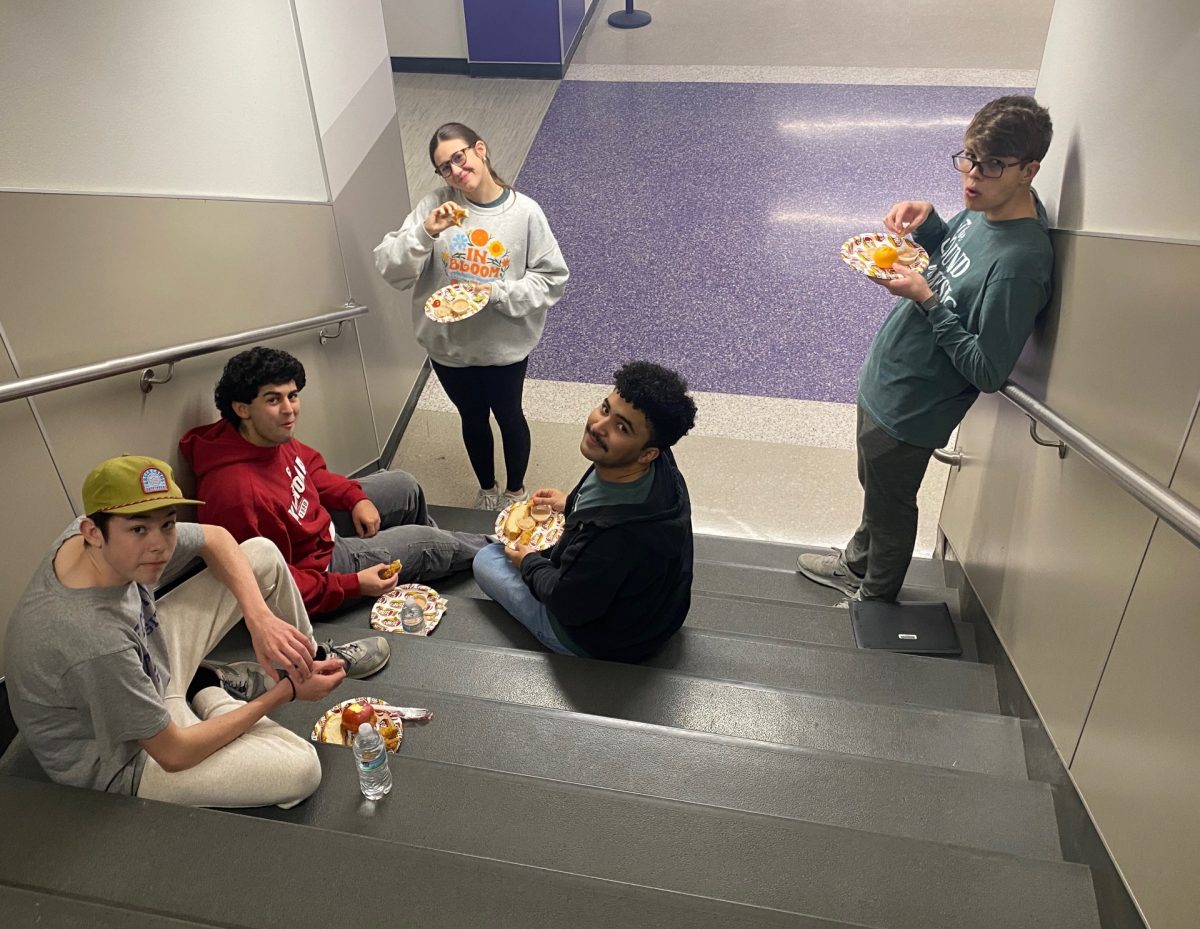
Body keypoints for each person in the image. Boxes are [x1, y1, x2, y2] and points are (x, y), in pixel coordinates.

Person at [3, 455, 390, 808]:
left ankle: (307, 660)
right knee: (302, 769)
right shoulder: (94, 642)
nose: (159, 545)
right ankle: (210, 690)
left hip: (147, 661)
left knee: (262, 554)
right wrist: (284, 694)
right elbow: (174, 754)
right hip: (133, 759)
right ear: (92, 532)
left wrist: (260, 620)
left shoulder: (95, 531)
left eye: (167, 524)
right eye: (138, 529)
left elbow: (217, 538)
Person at [798, 95, 1054, 604]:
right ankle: (856, 561)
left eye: (991, 166)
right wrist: (934, 223)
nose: (972, 178)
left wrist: (928, 301)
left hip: (912, 412)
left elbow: (986, 370)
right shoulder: (986, 211)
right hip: (887, 381)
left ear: (1030, 170)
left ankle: (875, 595)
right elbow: (955, 262)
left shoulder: (1022, 263)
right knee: (875, 490)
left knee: (891, 506)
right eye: (968, 158)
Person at [179, 347, 489, 617]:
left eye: (293, 396)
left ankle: (429, 561)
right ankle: (503, 549)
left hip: (318, 529)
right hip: (319, 570)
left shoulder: (263, 434)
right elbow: (273, 585)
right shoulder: (236, 494)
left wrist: (355, 498)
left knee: (403, 486)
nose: (289, 410)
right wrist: (353, 585)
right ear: (242, 408)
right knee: (426, 543)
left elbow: (309, 470)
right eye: (273, 400)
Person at [374, 122, 569, 510]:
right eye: (445, 167)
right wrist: (425, 233)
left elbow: (552, 280)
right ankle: (487, 488)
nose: (456, 171)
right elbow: (390, 268)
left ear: (480, 149)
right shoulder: (435, 206)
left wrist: (495, 291)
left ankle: (515, 490)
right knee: (471, 417)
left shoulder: (525, 213)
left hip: (503, 347)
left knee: (509, 416)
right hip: (448, 347)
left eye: (459, 157)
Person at [473, 361, 697, 662]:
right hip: (652, 614)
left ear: (647, 453)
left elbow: (568, 606)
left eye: (621, 427)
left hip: (601, 640)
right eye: (605, 409)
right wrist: (571, 503)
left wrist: (529, 563)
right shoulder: (656, 465)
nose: (598, 427)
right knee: (512, 544)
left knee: (486, 559)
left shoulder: (617, 540)